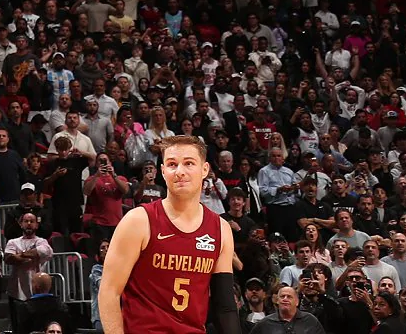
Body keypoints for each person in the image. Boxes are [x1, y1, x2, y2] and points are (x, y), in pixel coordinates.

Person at [98, 136, 240, 334]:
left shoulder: (221, 229)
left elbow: (224, 306)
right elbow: (109, 292)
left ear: (205, 169)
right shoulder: (138, 220)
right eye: (172, 164)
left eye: (189, 163)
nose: (180, 171)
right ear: (163, 171)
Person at [254, 284, 326, 334]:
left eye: (289, 297)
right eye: (282, 296)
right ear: (278, 301)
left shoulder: (310, 320)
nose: (285, 299)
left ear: (297, 302)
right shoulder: (265, 323)